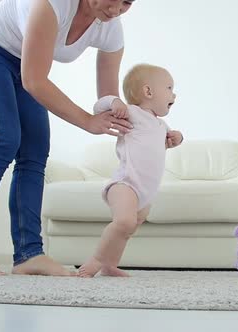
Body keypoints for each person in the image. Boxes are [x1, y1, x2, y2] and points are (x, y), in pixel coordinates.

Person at [0, 0, 149, 276]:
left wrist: (140, 124)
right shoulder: (52, 4)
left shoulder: (111, 30)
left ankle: (29, 254)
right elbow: (34, 80)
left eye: (127, 2)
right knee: (2, 139)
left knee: (35, 150)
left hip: (23, 64)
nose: (116, 9)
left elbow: (107, 97)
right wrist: (87, 121)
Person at [78, 64, 183, 277]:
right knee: (124, 222)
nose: (174, 94)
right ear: (148, 92)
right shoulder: (132, 113)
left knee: (128, 230)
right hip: (126, 184)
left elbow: (159, 145)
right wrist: (114, 102)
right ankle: (97, 259)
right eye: (169, 88)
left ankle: (110, 265)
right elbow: (100, 106)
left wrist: (176, 139)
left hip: (146, 192)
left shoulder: (161, 125)